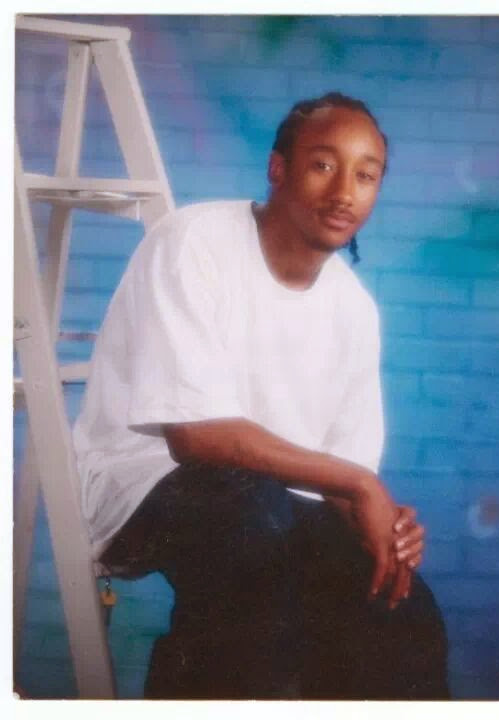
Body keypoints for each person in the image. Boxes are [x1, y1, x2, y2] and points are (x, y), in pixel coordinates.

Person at [73, 92, 449, 700]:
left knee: (398, 605)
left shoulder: (354, 310)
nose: (344, 192)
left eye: (366, 175)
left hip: (268, 501)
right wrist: (360, 487)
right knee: (255, 535)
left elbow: (339, 477)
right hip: (142, 483)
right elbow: (195, 437)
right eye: (323, 164)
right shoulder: (195, 240)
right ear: (278, 168)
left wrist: (382, 529)